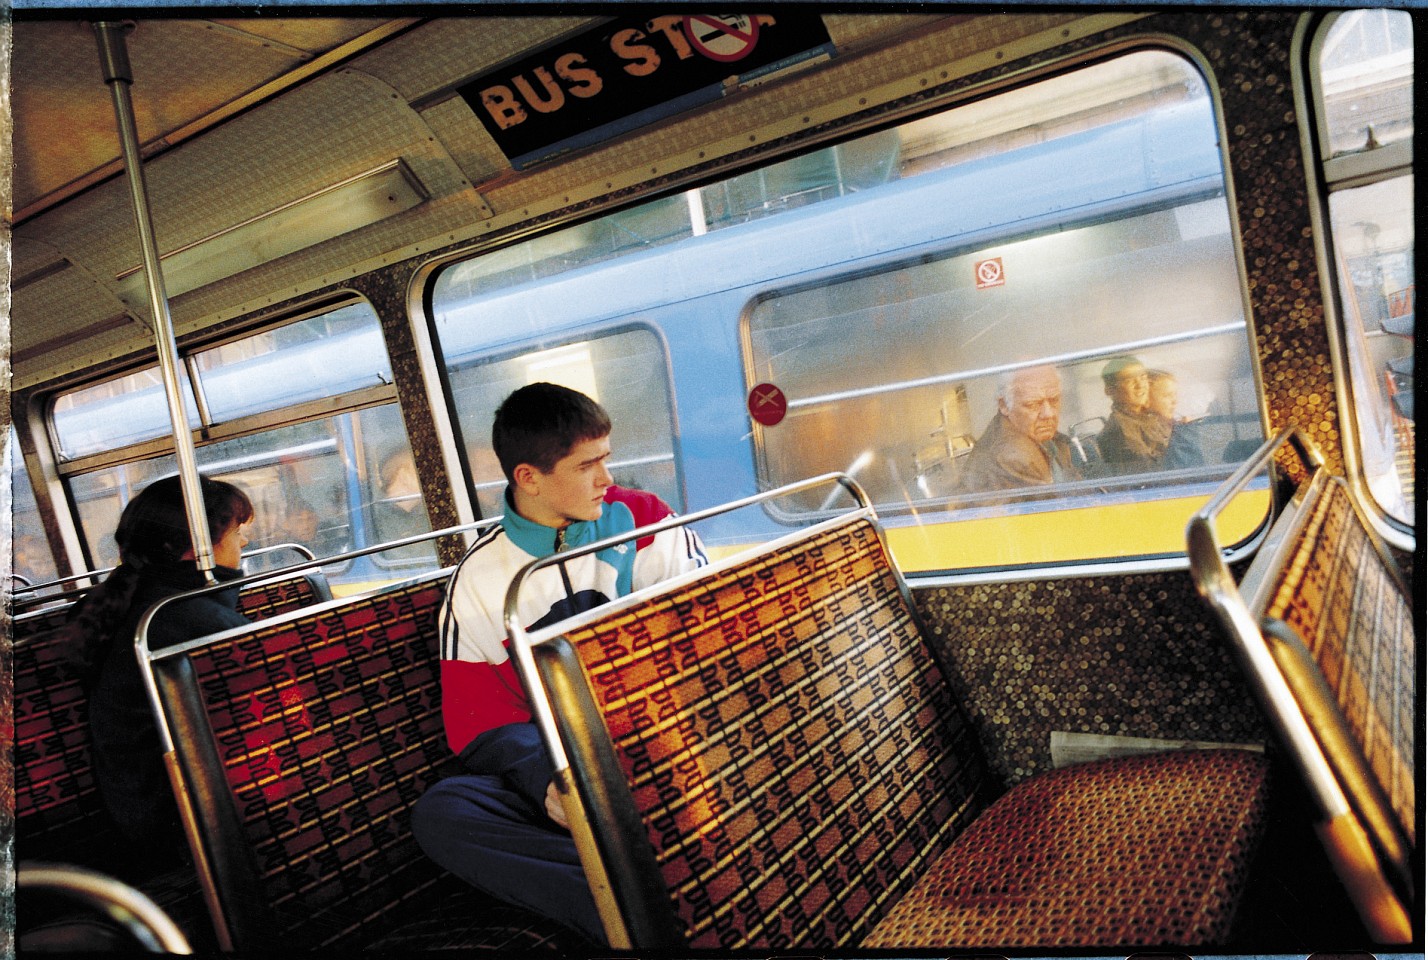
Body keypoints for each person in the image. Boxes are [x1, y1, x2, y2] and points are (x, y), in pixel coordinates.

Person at [411, 383, 708, 944]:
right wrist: (547, 778)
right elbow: (480, 723)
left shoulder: (643, 521)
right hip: (567, 762)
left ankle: (637, 885)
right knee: (445, 812)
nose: (607, 480)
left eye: (606, 459)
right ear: (529, 478)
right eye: (587, 465)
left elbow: (706, 634)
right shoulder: (479, 579)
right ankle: (640, 908)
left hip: (670, 733)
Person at [60, 475, 254, 877]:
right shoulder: (184, 620)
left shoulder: (140, 604)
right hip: (175, 822)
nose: (245, 543)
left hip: (138, 805)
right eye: (237, 532)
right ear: (195, 548)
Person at [956, 365, 1081, 496]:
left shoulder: (1042, 437)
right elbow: (1059, 509)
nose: (1048, 414)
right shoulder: (1013, 458)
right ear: (1004, 405)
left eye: (1054, 400)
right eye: (1033, 404)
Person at [1095, 355, 1171, 472]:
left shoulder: (1148, 418)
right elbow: (1151, 473)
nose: (1140, 385)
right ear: (1110, 390)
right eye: (1129, 380)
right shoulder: (1119, 433)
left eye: (1143, 377)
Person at [1147, 368, 1205, 469]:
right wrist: (1184, 433)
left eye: (1175, 394)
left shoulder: (1174, 426)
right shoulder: (1148, 434)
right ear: (1148, 399)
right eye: (1167, 395)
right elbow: (1179, 470)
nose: (1175, 401)